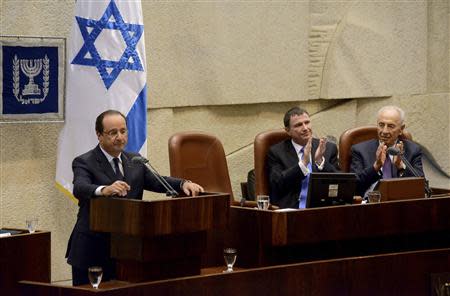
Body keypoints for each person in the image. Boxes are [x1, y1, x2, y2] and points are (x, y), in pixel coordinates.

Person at [66, 110, 204, 286]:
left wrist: (182, 184)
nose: (119, 137)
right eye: (113, 132)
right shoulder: (85, 161)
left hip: (127, 250)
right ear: (99, 135)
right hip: (93, 248)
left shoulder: (135, 160)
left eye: (123, 131)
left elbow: (157, 181)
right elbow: (80, 187)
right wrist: (104, 189)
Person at [267, 107, 339, 209]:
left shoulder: (327, 148)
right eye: (298, 125)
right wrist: (302, 165)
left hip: (323, 209)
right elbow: (277, 184)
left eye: (307, 122)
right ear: (288, 131)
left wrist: (320, 161)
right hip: (292, 211)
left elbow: (341, 182)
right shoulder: (276, 152)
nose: (305, 128)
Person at [350, 105, 424, 197]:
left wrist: (401, 167)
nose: (384, 131)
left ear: (401, 129)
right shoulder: (360, 150)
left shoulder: (413, 150)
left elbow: (421, 187)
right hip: (369, 206)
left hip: (401, 205)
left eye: (391, 126)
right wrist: (375, 167)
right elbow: (353, 187)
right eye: (381, 125)